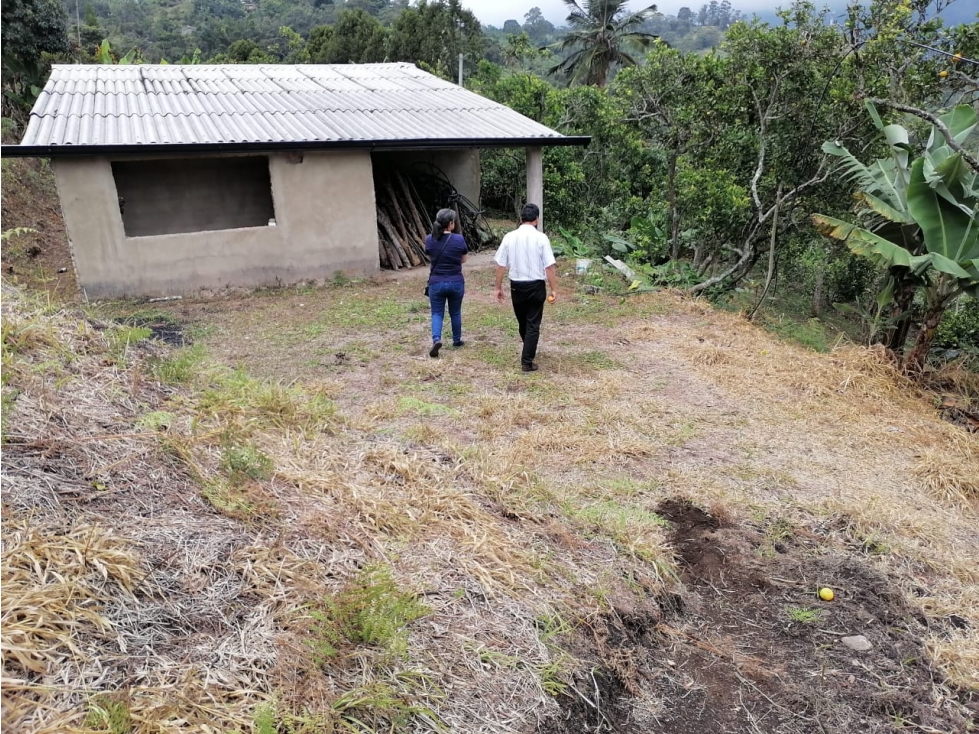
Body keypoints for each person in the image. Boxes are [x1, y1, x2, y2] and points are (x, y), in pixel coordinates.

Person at [494, 203, 558, 372]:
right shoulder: (542, 238)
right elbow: (549, 267)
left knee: (523, 322)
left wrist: (498, 287)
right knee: (532, 324)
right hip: (536, 286)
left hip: (517, 286)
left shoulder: (509, 237)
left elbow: (501, 265)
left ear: (521, 219)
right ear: (536, 220)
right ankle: (527, 360)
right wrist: (554, 289)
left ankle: (527, 353)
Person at [425, 208, 469, 357]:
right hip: (456, 282)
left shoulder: (429, 239)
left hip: (436, 282)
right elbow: (463, 259)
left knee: (437, 313)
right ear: (451, 223)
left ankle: (436, 339)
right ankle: (457, 340)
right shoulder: (459, 239)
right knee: (455, 312)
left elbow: (431, 258)